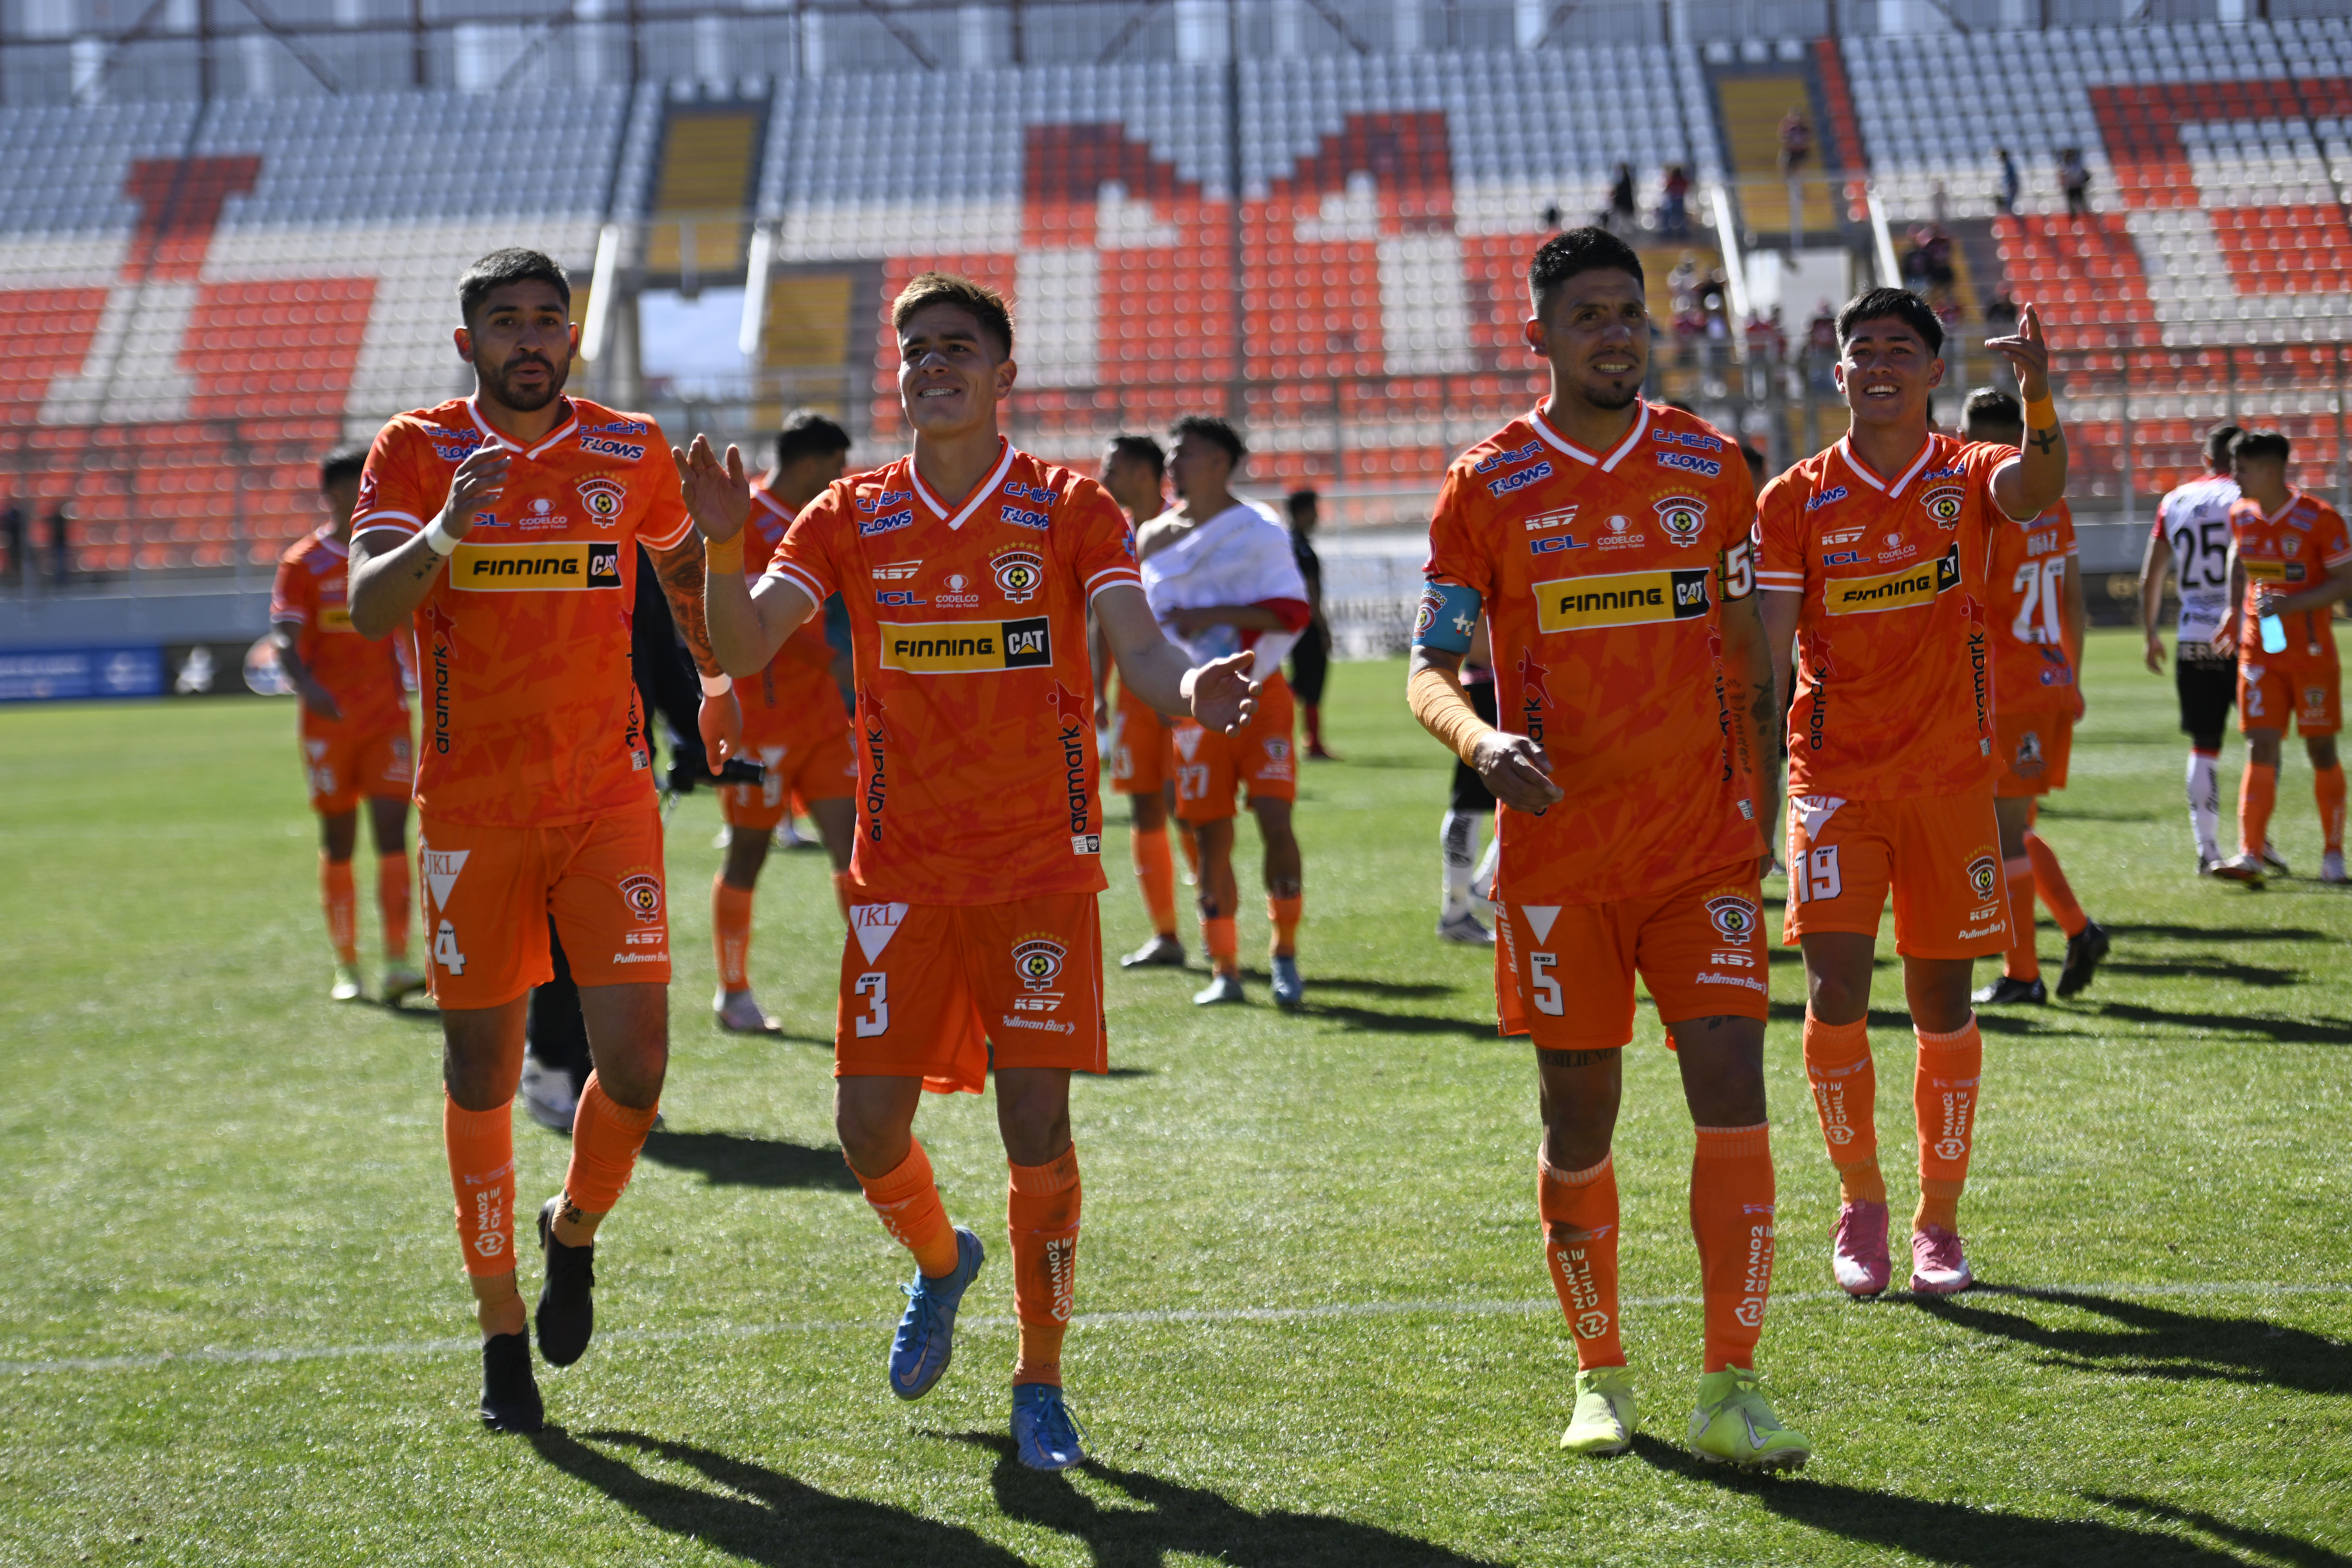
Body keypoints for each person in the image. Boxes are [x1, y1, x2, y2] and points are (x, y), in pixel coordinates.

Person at [687, 272, 1253, 1472]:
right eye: (914, 351)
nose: (930, 365)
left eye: (957, 348)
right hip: (898, 875)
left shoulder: (1069, 509)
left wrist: (1194, 691)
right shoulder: (846, 513)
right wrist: (728, 540)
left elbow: (1142, 648)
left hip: (1041, 865)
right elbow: (740, 644)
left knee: (1034, 1126)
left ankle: (1039, 1381)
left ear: (1005, 374)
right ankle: (944, 1261)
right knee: (865, 1127)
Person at [1410, 226, 1804, 1468]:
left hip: (1699, 854)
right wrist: (1480, 745)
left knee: (1731, 1097)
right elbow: (1426, 665)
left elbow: (1753, 659)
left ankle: (1731, 1380)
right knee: (1578, 1114)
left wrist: (1764, 820)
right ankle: (1598, 1371)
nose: (1614, 332)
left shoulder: (1709, 464)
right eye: (1586, 314)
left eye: (1627, 312)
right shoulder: (1485, 486)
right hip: (1558, 864)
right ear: (1536, 336)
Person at [346, 247, 737, 1435]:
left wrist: (715, 637)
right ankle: (501, 1331)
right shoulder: (415, 450)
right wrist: (446, 534)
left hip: (606, 801)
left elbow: (680, 566)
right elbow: (370, 606)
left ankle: (572, 1232)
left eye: (546, 320)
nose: (529, 339)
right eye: (505, 322)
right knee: (480, 1073)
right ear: (468, 343)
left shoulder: (630, 448)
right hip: (471, 809)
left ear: (573, 337)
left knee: (639, 1070)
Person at [1756, 287, 2067, 1300]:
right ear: (1836, 373)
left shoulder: (1970, 473)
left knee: (1939, 1003)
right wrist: (1751, 794)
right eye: (1861, 349)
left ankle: (1937, 1220)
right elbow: (1766, 661)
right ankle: (1861, 1201)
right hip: (1833, 783)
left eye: (1900, 347)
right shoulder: (1792, 499)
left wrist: (2039, 400)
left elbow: (2037, 487)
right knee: (1834, 994)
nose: (1879, 361)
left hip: (1945, 785)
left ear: (1934, 373)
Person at [1141, 416, 1313, 1009]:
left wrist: (1212, 616)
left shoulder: (1258, 528)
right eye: (1172, 452)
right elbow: (1147, 623)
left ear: (1219, 462)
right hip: (1193, 707)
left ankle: (1285, 953)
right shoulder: (1152, 536)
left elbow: (1291, 611)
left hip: (1259, 694)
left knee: (1275, 822)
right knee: (1209, 836)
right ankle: (1225, 967)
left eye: (1184, 453)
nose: (1173, 463)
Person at [710, 409, 859, 1034]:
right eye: (834, 468)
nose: (840, 480)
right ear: (807, 465)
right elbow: (740, 618)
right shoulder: (743, 518)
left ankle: (879, 987)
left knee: (858, 856)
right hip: (761, 722)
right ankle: (732, 990)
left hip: (822, 718)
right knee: (747, 855)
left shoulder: (821, 522)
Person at [1961, 390, 2107, 1005]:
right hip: (2044, 678)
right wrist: (2070, 677)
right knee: (2011, 827)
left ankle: (2022, 972)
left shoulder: (1987, 503)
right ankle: (2077, 930)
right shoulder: (2051, 500)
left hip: (2005, 685)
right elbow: (2073, 602)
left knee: (2002, 832)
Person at [269, 444, 425, 1005]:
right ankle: (346, 963)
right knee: (338, 843)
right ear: (336, 492)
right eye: (360, 483)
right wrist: (310, 688)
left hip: (387, 721)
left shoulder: (390, 557)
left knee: (392, 836)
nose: (368, 491)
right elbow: (285, 638)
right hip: (327, 726)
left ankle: (399, 962)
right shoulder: (303, 563)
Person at [2212, 429, 2352, 885]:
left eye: (2242, 468)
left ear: (2271, 471)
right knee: (2261, 743)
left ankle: (2333, 853)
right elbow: (2239, 557)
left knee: (2321, 749)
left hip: (2311, 655)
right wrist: (2235, 610)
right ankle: (2250, 852)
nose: (2234, 477)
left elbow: (2344, 582)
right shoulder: (2241, 513)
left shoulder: (2320, 518)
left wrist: (2291, 604)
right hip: (2260, 649)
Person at [1092, 433, 1191, 969]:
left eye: (1113, 466)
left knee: (1189, 809)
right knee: (1145, 807)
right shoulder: (1113, 534)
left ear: (1143, 472)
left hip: (1180, 689)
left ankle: (1213, 920)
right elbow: (1098, 621)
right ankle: (1166, 935)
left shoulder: (1184, 530)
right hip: (1132, 698)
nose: (1103, 475)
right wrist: (1099, 691)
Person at [2140, 423, 2248, 874]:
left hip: (2192, 632)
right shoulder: (2249, 497)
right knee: (2266, 739)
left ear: (2207, 458)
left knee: (2204, 745)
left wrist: (2150, 633)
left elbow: (2152, 574)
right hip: (2250, 631)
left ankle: (2207, 849)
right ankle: (2256, 843)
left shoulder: (2174, 500)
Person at [1436, 616, 1497, 945]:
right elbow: (1476, 635)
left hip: (1498, 682)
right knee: (1472, 800)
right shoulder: (1472, 571)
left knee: (1533, 796)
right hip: (1490, 684)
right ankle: (1460, 908)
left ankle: (1474, 896)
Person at [1285, 488, 1337, 760]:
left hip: (1295, 625)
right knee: (1310, 682)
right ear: (1303, 513)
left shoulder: (1289, 543)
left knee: (1302, 682)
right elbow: (1311, 593)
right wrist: (1324, 628)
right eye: (1314, 511)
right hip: (1308, 625)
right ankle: (1313, 742)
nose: (1317, 517)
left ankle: (1312, 740)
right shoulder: (1302, 549)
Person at [1778, 107, 1812, 176]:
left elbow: (1809, 138)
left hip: (1801, 151)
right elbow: (1782, 138)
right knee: (1784, 164)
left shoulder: (1804, 128)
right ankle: (1788, 180)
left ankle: (1799, 180)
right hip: (1791, 150)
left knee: (1800, 167)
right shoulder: (1787, 127)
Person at [1661, 164, 1691, 240]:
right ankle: (1682, 235)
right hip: (1679, 202)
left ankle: (1669, 235)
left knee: (1671, 219)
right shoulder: (1682, 181)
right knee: (1680, 219)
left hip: (1675, 202)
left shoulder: (1673, 180)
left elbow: (1666, 189)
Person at [2059, 148, 2091, 221]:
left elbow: (2085, 175)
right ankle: (2074, 220)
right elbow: (2062, 177)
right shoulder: (2063, 165)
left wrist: (2084, 182)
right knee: (2072, 206)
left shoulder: (2078, 164)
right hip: (2070, 188)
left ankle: (2087, 219)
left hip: (2079, 187)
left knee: (2083, 204)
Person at [1995, 147, 2022, 217]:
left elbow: (2011, 177)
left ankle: (2010, 218)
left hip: (2012, 186)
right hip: (2011, 186)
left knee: (2009, 204)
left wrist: (2011, 186)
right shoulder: (2008, 165)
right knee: (2009, 204)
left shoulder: (2009, 166)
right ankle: (2009, 216)